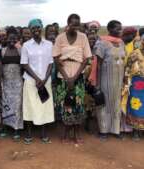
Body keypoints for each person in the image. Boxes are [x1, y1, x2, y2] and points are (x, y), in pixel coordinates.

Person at [53, 14, 92, 144]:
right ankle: (65, 132)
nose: (76, 27)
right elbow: (56, 59)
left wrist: (74, 78)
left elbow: (86, 59)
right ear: (68, 23)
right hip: (63, 75)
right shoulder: (60, 38)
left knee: (78, 104)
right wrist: (66, 77)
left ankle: (76, 133)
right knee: (65, 105)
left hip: (78, 75)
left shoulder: (83, 37)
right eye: (73, 24)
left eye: (78, 24)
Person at [21, 19, 55, 145]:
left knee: (44, 106)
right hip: (31, 81)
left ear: (41, 28)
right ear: (30, 30)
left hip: (45, 81)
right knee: (29, 106)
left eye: (38, 27)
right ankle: (29, 133)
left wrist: (45, 79)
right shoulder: (26, 45)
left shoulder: (49, 44)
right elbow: (25, 64)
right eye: (33, 28)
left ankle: (43, 133)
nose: (36, 30)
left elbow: (51, 63)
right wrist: (36, 79)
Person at [95, 20, 125, 140]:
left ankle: (115, 130)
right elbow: (97, 65)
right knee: (104, 104)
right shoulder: (102, 43)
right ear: (109, 29)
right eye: (117, 28)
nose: (120, 31)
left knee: (116, 104)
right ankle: (103, 131)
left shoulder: (121, 43)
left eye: (120, 28)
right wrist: (96, 83)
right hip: (105, 80)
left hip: (118, 80)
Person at [0, 26, 23, 141]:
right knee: (5, 105)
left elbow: (23, 67)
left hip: (18, 83)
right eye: (9, 38)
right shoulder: (2, 51)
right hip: (5, 83)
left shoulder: (20, 50)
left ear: (17, 39)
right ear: (6, 38)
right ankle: (5, 127)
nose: (12, 41)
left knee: (17, 106)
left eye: (14, 38)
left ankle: (16, 129)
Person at [123, 31, 144, 141]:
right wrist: (126, 83)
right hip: (137, 84)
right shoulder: (135, 54)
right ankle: (136, 131)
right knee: (136, 106)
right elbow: (127, 68)